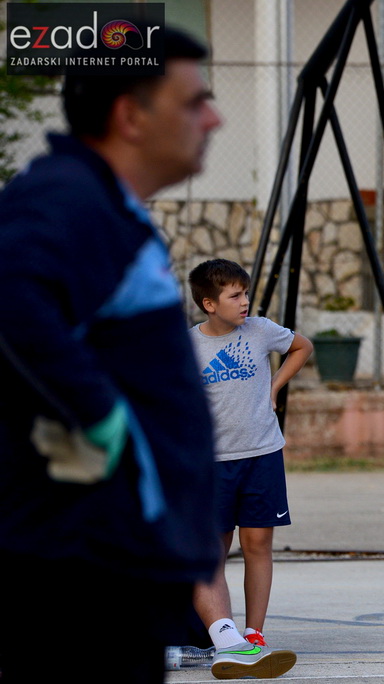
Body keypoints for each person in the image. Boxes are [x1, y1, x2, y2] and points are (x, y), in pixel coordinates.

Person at [0, 28, 224, 682]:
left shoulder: (104, 206)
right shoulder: (67, 198)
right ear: (130, 115)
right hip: (78, 565)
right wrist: (103, 420)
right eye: (194, 102)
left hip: (115, 560)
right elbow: (11, 295)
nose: (214, 118)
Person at [186, 259, 313, 679]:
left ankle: (253, 636)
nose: (244, 302)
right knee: (211, 555)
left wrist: (275, 386)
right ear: (208, 303)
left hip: (262, 454)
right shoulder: (187, 347)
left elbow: (302, 346)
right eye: (234, 295)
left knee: (258, 545)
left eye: (245, 293)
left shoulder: (259, 330)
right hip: (212, 464)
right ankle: (221, 638)